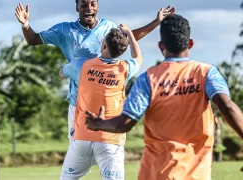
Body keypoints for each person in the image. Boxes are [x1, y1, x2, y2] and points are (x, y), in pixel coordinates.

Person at [85, 14, 243, 180]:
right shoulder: (206, 73)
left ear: (161, 46)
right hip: (196, 174)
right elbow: (228, 106)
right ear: (190, 44)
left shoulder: (148, 78)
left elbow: (124, 124)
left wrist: (99, 123)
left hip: (155, 173)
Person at [15, 0, 175, 142]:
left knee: (108, 151)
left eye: (92, 3)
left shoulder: (108, 27)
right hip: (77, 102)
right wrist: (25, 25)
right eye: (83, 4)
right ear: (77, 7)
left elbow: (129, 38)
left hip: (107, 102)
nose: (88, 8)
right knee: (78, 152)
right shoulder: (65, 31)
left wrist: (156, 21)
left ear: (98, 6)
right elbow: (33, 39)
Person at [59, 24, 142, 179]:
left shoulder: (81, 65)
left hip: (82, 137)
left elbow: (62, 73)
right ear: (121, 52)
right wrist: (130, 33)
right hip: (111, 139)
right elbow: (138, 58)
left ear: (103, 45)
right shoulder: (125, 69)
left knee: (66, 177)